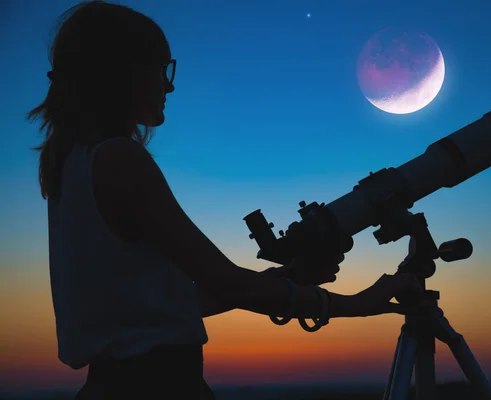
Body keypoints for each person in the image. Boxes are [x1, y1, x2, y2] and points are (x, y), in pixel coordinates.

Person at [27, 1, 424, 399]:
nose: (169, 85)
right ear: (122, 73)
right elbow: (226, 282)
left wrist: (286, 278)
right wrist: (358, 304)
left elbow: (179, 303)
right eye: (161, 69)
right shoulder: (120, 160)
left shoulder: (70, 164)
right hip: (160, 386)